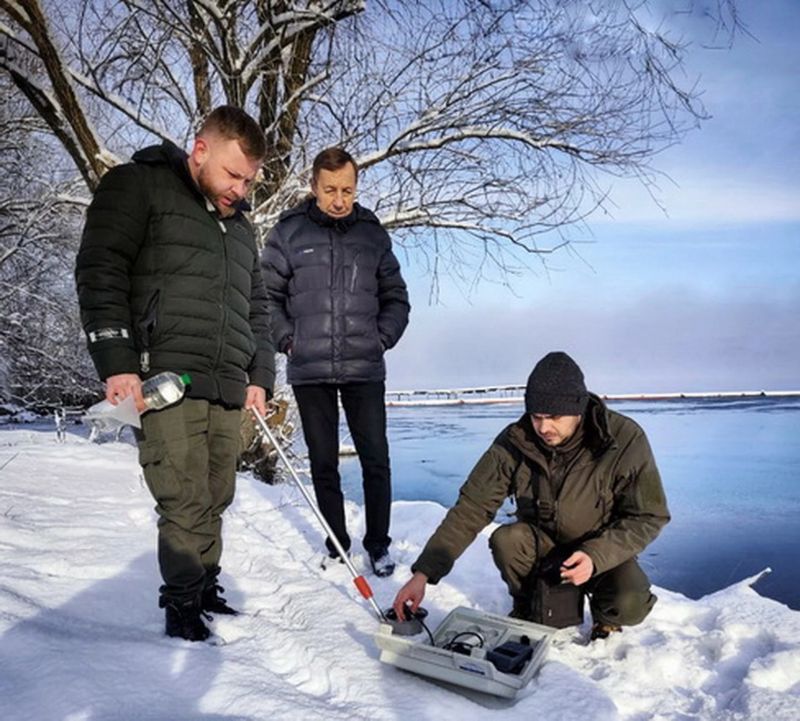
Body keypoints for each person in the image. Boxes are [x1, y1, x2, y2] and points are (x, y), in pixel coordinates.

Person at [75, 106, 275, 642]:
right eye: (233, 175)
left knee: (216, 493)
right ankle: (182, 605)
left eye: (249, 179)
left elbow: (255, 306)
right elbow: (101, 267)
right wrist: (116, 362)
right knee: (182, 494)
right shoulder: (139, 186)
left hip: (228, 382)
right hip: (165, 376)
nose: (240, 189)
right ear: (200, 149)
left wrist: (261, 373)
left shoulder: (240, 227)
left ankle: (205, 586)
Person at [393, 351, 670, 640]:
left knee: (630, 602)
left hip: (599, 547)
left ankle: (604, 619)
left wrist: (595, 555)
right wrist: (423, 574)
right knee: (507, 540)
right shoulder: (516, 440)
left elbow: (649, 516)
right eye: (536, 416)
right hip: (543, 546)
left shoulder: (623, 439)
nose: (543, 427)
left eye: (553, 417)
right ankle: (530, 606)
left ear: (578, 409)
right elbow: (471, 508)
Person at [261, 147, 410, 577]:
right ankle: (337, 543)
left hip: (365, 366)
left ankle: (378, 546)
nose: (340, 199)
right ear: (313, 187)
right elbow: (265, 295)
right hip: (310, 370)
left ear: (356, 187)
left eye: (347, 189)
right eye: (330, 190)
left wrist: (381, 338)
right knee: (323, 462)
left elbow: (396, 298)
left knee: (375, 460)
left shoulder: (372, 234)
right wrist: (288, 339)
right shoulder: (288, 233)